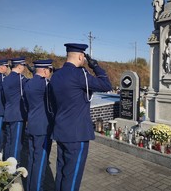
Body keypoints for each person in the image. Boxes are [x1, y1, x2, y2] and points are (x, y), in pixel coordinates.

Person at [49, 43, 112, 191]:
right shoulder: (80, 75)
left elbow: (52, 104)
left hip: (61, 131)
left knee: (62, 173)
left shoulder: (56, 75)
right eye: (83, 57)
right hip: (77, 135)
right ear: (80, 56)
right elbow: (106, 85)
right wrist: (95, 66)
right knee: (72, 179)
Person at [24, 59, 54, 191]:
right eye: (50, 71)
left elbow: (25, 105)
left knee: (32, 161)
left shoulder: (28, 84)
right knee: (41, 163)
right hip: (43, 128)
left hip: (31, 126)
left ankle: (30, 186)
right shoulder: (46, 85)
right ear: (45, 70)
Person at [2, 57, 29, 163]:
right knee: (16, 143)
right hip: (17, 115)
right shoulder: (20, 79)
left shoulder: (6, 79)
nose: (23, 68)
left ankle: (6, 165)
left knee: (9, 141)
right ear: (19, 66)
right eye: (23, 66)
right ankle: (13, 169)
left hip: (8, 113)